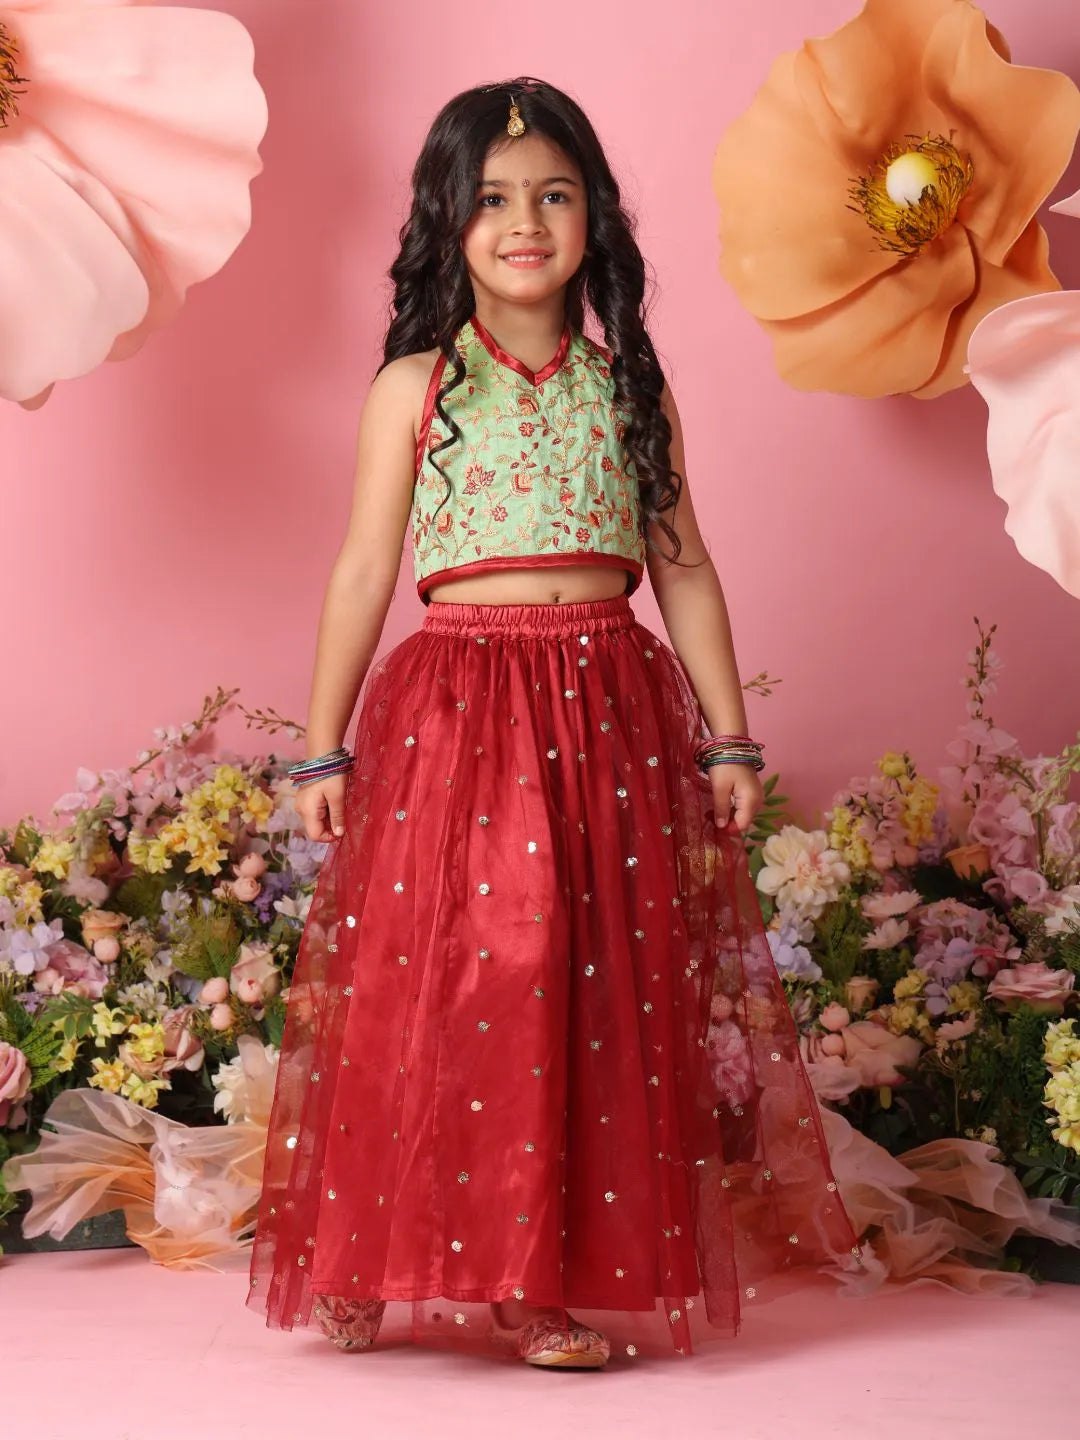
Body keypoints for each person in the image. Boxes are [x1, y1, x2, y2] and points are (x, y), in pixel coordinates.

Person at [247, 77, 859, 1370]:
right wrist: (321, 746)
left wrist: (730, 736)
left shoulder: (626, 384)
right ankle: (372, 1252)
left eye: (555, 194)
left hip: (606, 705)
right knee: (443, 982)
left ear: (597, 218)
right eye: (494, 199)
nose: (526, 221)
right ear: (446, 223)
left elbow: (685, 563)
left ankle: (539, 1283)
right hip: (457, 707)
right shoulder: (415, 386)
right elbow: (362, 570)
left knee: (580, 989)